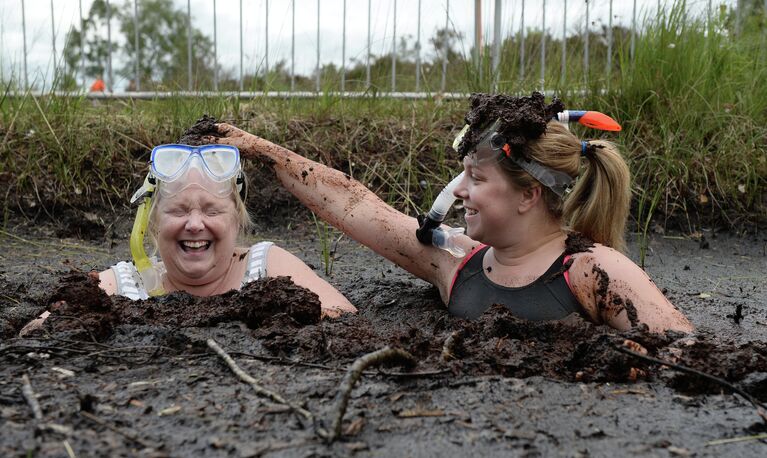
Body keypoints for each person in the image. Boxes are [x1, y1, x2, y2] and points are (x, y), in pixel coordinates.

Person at [201, 92, 693, 333]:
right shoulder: (455, 259)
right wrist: (253, 147)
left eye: (477, 180)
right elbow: (352, 203)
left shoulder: (594, 271)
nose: (458, 192)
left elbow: (680, 348)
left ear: (529, 196)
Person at [21, 144, 355, 335]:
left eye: (212, 210)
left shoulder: (267, 265)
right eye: (178, 210)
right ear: (150, 224)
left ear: (236, 219)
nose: (195, 224)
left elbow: (346, 318)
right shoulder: (128, 284)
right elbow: (38, 331)